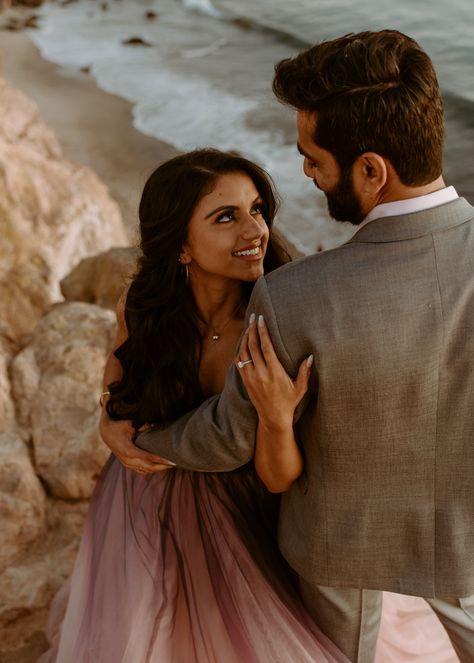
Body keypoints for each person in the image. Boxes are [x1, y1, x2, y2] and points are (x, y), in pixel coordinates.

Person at [105, 30, 474, 662]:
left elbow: (226, 438)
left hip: (339, 541)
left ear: (371, 170)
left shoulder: (296, 295)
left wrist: (136, 439)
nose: (304, 169)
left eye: (313, 156)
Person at [39, 148, 348, 662]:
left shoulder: (274, 327)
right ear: (181, 246)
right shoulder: (143, 303)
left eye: (256, 210)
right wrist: (107, 419)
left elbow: (279, 478)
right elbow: (119, 373)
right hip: (142, 501)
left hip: (247, 517)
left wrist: (274, 417)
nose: (254, 231)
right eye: (226, 218)